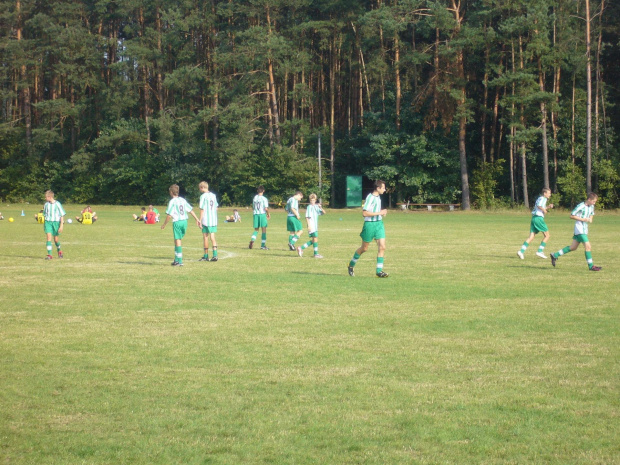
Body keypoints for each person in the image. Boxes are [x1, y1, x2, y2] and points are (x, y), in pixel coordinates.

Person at [550, 192, 602, 271]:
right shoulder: (581, 206)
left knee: (573, 247)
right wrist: (583, 219)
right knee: (588, 246)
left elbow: (591, 213)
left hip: (584, 229)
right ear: (589, 199)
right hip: (579, 229)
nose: (594, 203)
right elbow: (571, 215)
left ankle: (555, 255)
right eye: (593, 201)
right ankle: (591, 266)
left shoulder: (591, 206)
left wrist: (590, 218)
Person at [348, 180, 389, 278]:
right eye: (383, 188)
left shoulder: (378, 197)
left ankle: (379, 271)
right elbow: (365, 213)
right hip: (369, 225)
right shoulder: (370, 198)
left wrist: (382, 211)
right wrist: (380, 213)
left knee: (382, 247)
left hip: (379, 224)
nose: (385, 189)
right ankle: (351, 265)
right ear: (378, 188)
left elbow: (375, 210)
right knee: (364, 248)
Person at [161, 184, 200, 266]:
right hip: (184, 221)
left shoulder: (172, 202)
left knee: (178, 240)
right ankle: (176, 260)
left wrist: (164, 224)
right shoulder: (182, 200)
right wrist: (197, 219)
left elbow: (169, 215)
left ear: (171, 192)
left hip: (177, 221)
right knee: (176, 239)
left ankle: (180, 261)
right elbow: (190, 210)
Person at [517, 188, 553, 259]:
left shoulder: (540, 198)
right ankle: (540, 251)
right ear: (544, 193)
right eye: (549, 193)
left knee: (531, 237)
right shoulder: (543, 199)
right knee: (547, 236)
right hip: (539, 218)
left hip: (534, 218)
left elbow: (540, 207)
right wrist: (544, 210)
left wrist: (548, 207)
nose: (550, 195)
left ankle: (521, 251)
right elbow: (539, 206)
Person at [297, 193, 325, 258]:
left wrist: (321, 207)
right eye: (311, 200)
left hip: (315, 226)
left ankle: (301, 248)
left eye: (313, 200)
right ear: (310, 200)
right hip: (311, 225)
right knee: (315, 239)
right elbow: (307, 217)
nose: (312, 201)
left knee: (314, 240)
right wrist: (309, 225)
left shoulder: (316, 206)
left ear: (315, 200)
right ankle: (316, 254)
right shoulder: (309, 207)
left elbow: (323, 213)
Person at [198, 181, 219, 262]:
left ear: (202, 187)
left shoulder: (203, 196)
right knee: (213, 237)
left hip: (206, 219)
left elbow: (202, 209)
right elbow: (216, 207)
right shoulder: (213, 195)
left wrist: (199, 220)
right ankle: (215, 255)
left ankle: (206, 256)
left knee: (205, 237)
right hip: (213, 219)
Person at [42, 190, 66, 260]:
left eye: (46, 197)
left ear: (49, 197)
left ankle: (59, 250)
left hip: (56, 223)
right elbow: (44, 214)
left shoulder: (57, 204)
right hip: (48, 222)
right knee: (49, 237)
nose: (45, 198)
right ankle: (50, 255)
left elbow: (62, 215)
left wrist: (61, 225)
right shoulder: (46, 204)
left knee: (56, 240)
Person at [249, 186, 270, 250]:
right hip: (262, 214)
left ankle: (252, 240)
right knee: (264, 230)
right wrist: (268, 214)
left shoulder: (255, 198)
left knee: (256, 230)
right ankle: (262, 245)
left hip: (255, 214)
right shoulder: (264, 199)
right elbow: (266, 208)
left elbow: (253, 207)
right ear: (263, 191)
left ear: (257, 191)